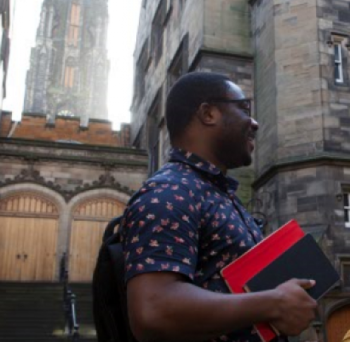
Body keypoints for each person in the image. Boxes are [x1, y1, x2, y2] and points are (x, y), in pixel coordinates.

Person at [120, 72, 317, 342]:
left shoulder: (216, 193)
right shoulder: (169, 191)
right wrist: (274, 303)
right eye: (244, 108)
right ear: (208, 113)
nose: (255, 123)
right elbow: (153, 310)